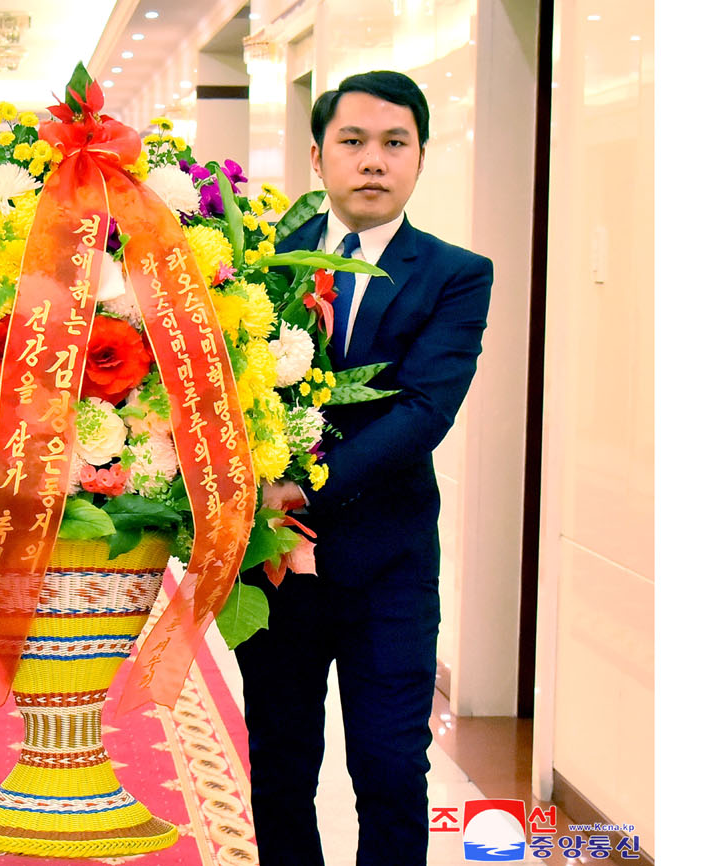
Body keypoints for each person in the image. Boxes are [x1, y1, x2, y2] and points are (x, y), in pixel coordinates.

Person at [234, 71, 493, 865]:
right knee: (280, 771)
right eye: (352, 142)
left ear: (420, 157)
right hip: (274, 566)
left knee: (388, 769)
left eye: (394, 144)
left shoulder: (456, 272)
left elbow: (424, 412)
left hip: (389, 567)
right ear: (318, 157)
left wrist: (301, 484)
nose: (372, 161)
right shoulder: (257, 269)